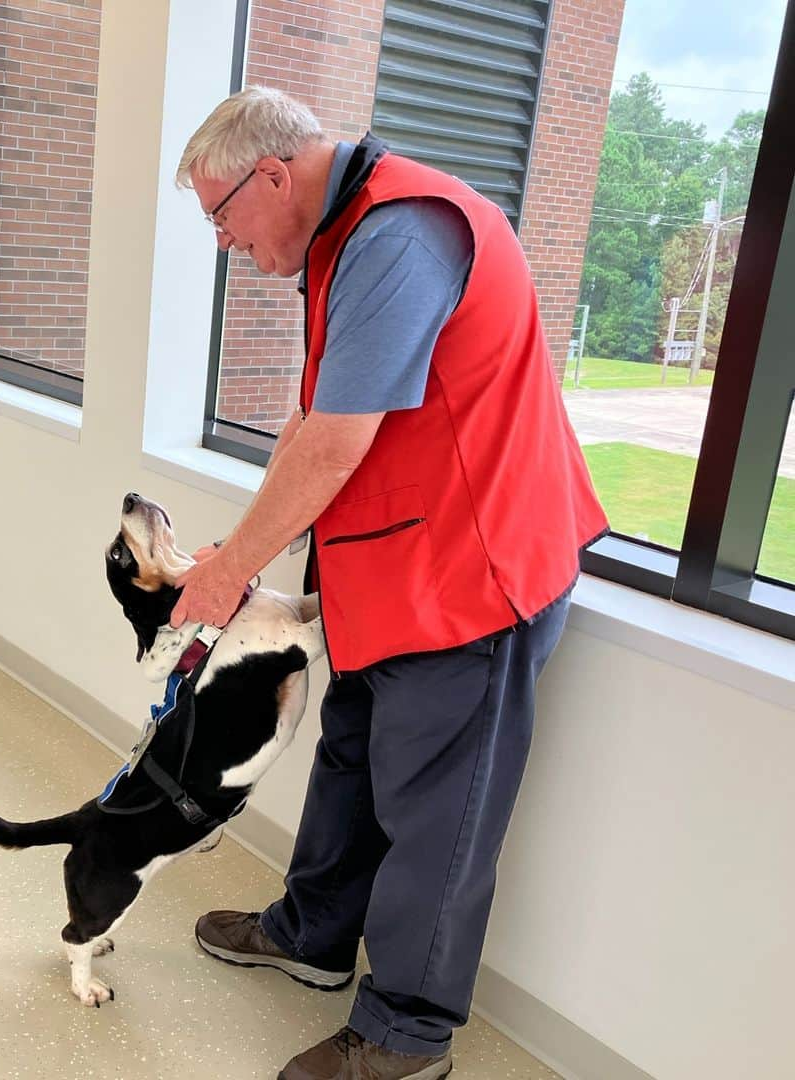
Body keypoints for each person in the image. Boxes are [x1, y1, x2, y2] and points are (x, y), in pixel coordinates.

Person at [170, 87, 608, 1080]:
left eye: (220, 214)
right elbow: (312, 420)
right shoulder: (340, 238)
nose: (223, 240)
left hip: (477, 576)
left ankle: (407, 1038)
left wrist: (234, 571)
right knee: (353, 759)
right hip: (402, 569)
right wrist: (231, 556)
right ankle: (313, 934)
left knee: (438, 814)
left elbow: (334, 444)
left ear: (273, 176)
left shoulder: (404, 235)